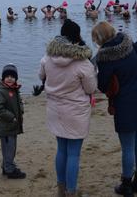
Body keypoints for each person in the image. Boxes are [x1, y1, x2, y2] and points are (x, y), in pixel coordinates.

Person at [94, 21, 137, 196]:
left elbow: (103, 85)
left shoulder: (104, 57)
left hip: (124, 103)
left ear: (99, 38)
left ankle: (126, 185)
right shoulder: (127, 44)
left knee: (128, 147)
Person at [40, 20, 96, 197]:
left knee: (61, 149)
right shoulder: (83, 63)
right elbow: (91, 89)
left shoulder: (48, 57)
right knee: (73, 154)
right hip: (75, 111)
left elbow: (41, 76)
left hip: (55, 109)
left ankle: (61, 189)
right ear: (77, 37)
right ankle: (71, 192)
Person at [0, 64, 26, 179]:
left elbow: (19, 102)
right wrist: (11, 117)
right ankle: (9, 170)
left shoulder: (14, 89)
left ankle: (6, 166)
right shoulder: (2, 91)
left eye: (12, 76)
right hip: (6, 127)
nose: (10, 78)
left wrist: (21, 109)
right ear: (3, 78)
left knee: (11, 148)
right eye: (7, 76)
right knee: (9, 149)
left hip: (13, 126)